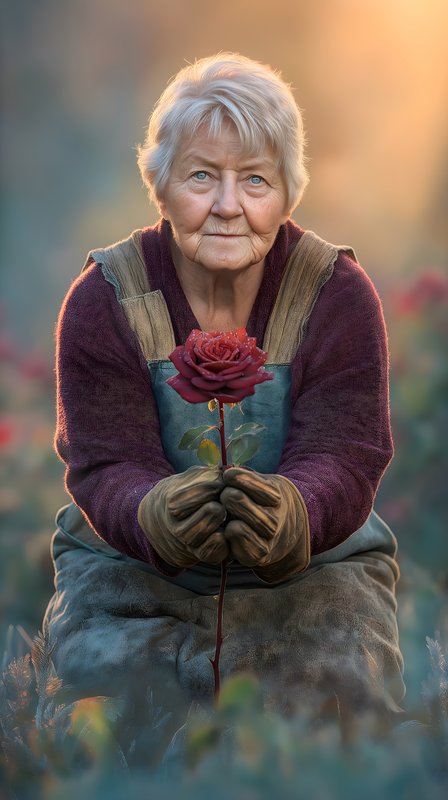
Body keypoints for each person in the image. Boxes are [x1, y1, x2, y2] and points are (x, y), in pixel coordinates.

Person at [44, 53, 405, 732]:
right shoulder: (105, 299)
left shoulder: (337, 294)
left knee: (333, 706)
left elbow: (348, 451)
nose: (228, 206)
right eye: (202, 176)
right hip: (138, 575)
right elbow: (101, 460)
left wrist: (297, 511)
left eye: (256, 180)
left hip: (309, 574)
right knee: (102, 712)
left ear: (289, 192)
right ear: (161, 184)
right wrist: (148, 510)